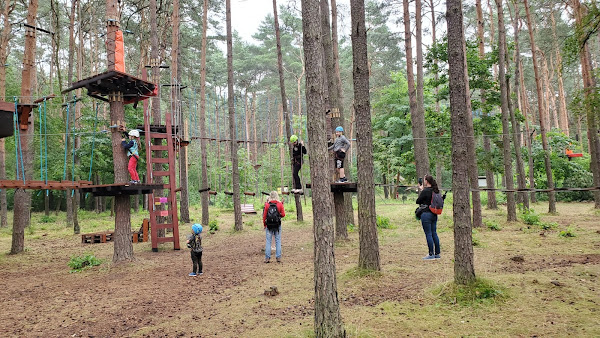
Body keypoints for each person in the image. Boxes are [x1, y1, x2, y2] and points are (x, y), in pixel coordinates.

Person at [416, 175, 441, 260]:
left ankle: (431, 254)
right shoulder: (435, 190)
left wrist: (422, 191)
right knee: (434, 233)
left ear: (426, 181)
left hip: (426, 214)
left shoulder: (425, 191)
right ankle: (437, 253)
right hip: (434, 214)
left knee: (428, 234)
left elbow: (418, 201)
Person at [262, 191, 285, 263]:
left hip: (269, 225)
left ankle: (267, 258)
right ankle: (278, 257)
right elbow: (283, 214)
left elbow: (264, 216)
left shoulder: (267, 205)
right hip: (277, 225)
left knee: (268, 241)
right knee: (278, 240)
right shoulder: (280, 204)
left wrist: (264, 225)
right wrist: (278, 216)